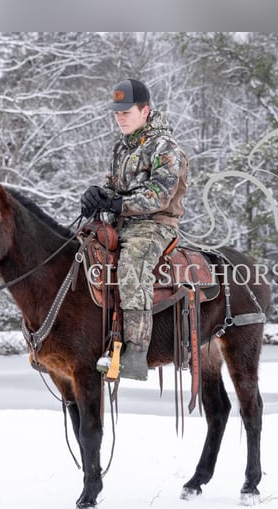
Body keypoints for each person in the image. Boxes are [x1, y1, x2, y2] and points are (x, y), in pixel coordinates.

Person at [81, 78, 188, 380]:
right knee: (79, 253)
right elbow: (112, 187)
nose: (120, 117)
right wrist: (97, 195)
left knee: (131, 268)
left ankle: (136, 352)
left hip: (154, 226)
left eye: (126, 112)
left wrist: (118, 204)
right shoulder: (122, 147)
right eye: (116, 112)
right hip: (121, 223)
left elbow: (159, 194)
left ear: (145, 111)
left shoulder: (166, 147)